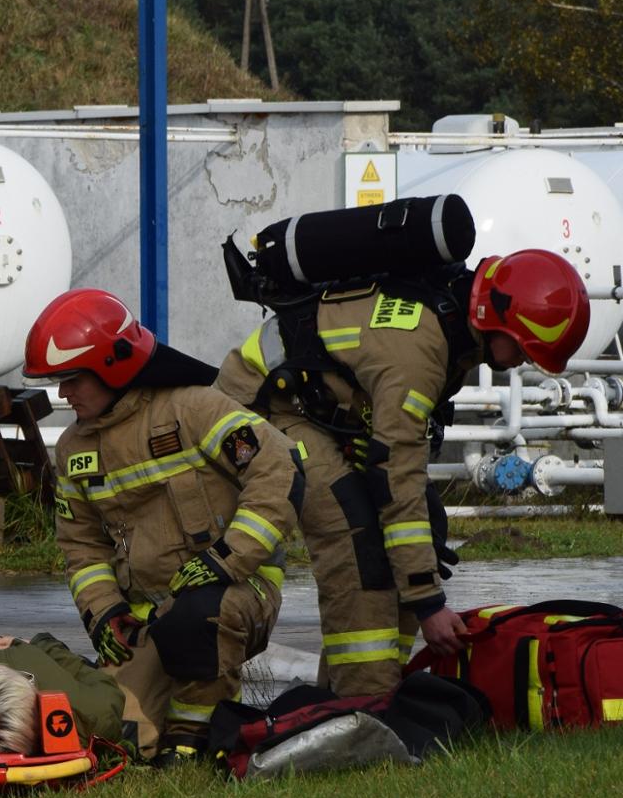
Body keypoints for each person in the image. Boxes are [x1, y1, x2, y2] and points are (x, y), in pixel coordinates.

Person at [215, 248, 591, 697]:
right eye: (527, 349)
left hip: (318, 405)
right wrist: (430, 605)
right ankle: (363, 707)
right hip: (259, 406)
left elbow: (397, 461)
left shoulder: (455, 323)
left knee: (423, 529)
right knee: (351, 534)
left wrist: (421, 571)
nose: (525, 361)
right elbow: (396, 474)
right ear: (501, 321)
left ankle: (363, 690)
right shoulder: (420, 350)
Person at [26, 289, 301, 764]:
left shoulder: (192, 410)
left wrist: (226, 559)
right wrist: (106, 613)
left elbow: (279, 467)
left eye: (70, 380)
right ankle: (172, 730)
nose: (62, 394)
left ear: (112, 367)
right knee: (114, 736)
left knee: (199, 618)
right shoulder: (73, 448)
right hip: (150, 620)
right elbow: (81, 545)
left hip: (236, 595)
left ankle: (190, 743)